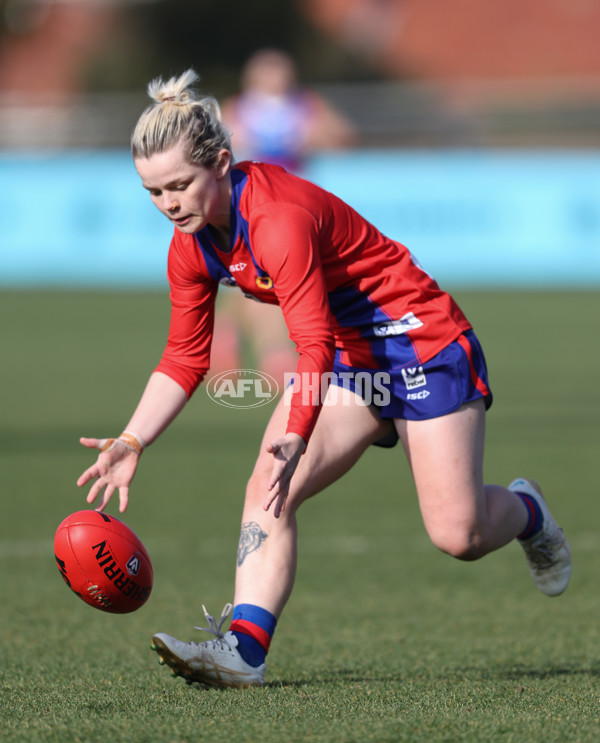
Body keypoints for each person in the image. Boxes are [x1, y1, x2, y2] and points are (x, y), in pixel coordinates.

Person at [77, 70, 571, 689]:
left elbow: (310, 342)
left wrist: (297, 431)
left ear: (222, 163)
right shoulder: (191, 245)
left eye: (180, 184)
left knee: (459, 534)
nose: (169, 203)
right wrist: (131, 441)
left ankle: (529, 514)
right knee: (269, 483)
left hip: (423, 344)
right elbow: (184, 357)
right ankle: (243, 651)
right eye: (153, 191)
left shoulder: (277, 219)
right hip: (351, 363)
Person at [211, 49, 358, 382]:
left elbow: (343, 137)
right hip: (251, 202)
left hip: (292, 202)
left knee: (260, 278)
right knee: (261, 277)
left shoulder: (305, 105)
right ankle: (270, 350)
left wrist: (315, 136)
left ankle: (229, 337)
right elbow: (209, 148)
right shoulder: (239, 108)